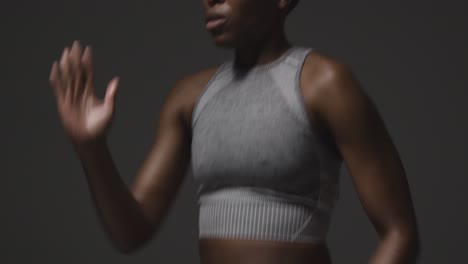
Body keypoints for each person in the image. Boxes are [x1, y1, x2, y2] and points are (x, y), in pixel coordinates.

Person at [48, 0, 420, 263]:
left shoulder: (324, 83)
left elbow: (400, 234)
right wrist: (92, 149)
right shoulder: (189, 97)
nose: (210, 0)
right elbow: (132, 232)